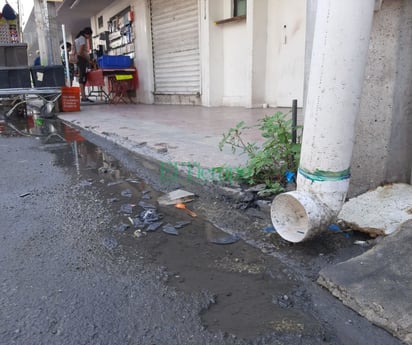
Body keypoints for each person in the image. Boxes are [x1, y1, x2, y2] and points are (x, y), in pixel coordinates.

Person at [74, 27, 93, 102]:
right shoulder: (82, 39)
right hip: (82, 60)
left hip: (79, 59)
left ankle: (83, 95)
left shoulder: (77, 38)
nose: (89, 37)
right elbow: (81, 52)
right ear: (87, 34)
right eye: (90, 35)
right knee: (82, 77)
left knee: (82, 77)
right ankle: (84, 96)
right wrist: (89, 60)